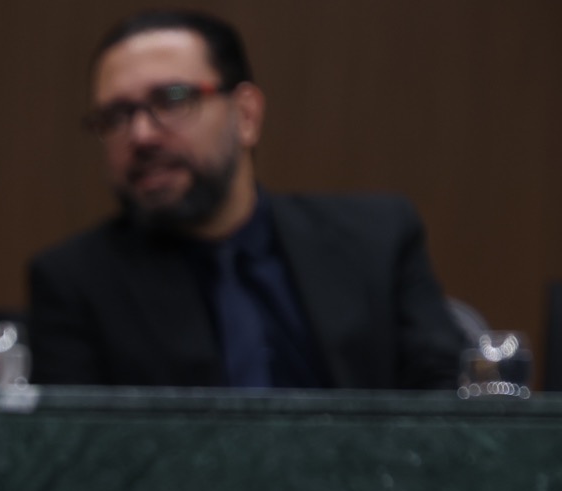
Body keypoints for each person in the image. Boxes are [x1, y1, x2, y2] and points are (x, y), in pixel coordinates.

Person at [27, 10, 460, 389]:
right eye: (116, 116)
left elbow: (447, 411)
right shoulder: (74, 282)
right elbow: (75, 448)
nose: (141, 135)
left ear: (246, 115)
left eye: (172, 99)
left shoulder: (377, 239)